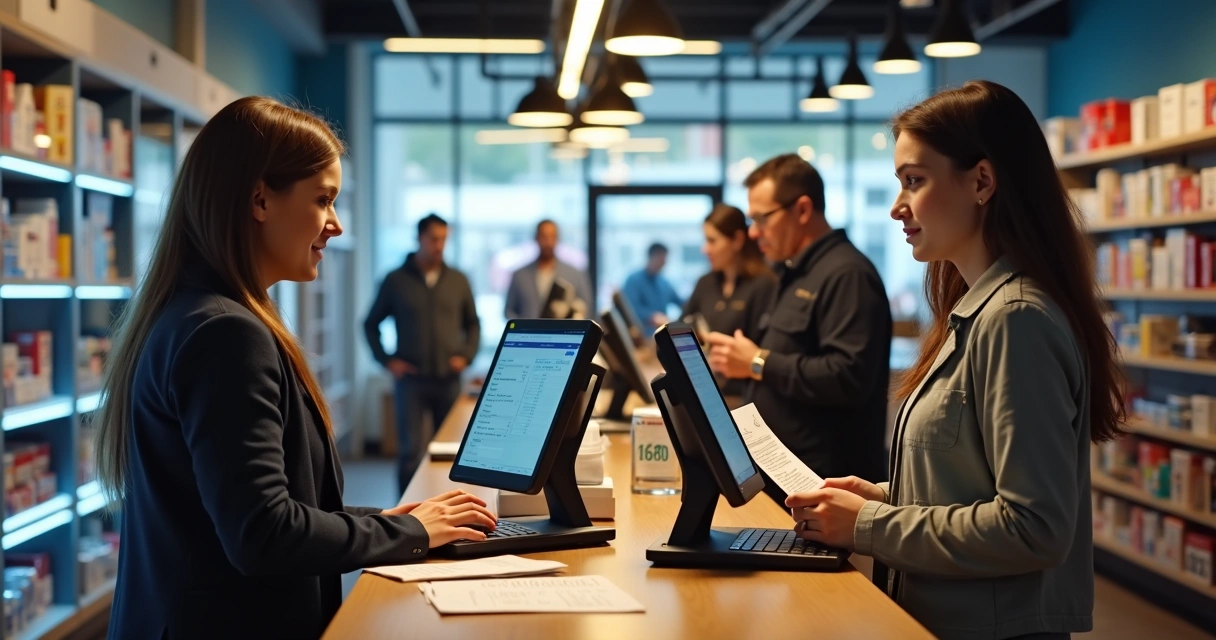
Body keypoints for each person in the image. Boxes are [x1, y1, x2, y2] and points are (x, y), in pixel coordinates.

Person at [93, 97, 496, 639]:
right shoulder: (225, 334)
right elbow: (262, 534)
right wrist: (405, 532)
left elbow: (263, 505)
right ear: (260, 198)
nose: (336, 224)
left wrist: (393, 522)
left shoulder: (191, 312)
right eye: (324, 199)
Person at [784, 81, 1124, 640]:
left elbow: (1033, 527)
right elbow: (973, 486)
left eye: (914, 182)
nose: (898, 207)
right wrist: (883, 497)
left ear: (982, 181)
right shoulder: (972, 310)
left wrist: (867, 525)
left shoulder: (1016, 320)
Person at [706, 154, 892, 503]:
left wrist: (758, 362)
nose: (753, 232)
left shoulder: (847, 274)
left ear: (803, 210)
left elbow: (847, 377)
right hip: (784, 484)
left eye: (762, 218)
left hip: (827, 491)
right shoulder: (793, 274)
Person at [364, 213, 481, 494]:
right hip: (411, 381)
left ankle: (452, 506)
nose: (439, 245)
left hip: (448, 379)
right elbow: (370, 324)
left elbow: (473, 324)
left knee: (453, 451)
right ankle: (408, 513)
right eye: (433, 239)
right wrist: (387, 360)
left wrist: (466, 355)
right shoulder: (395, 280)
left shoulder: (458, 280)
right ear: (419, 239)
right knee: (410, 453)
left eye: (443, 240)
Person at [682, 204, 777, 397]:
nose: (705, 249)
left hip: (748, 396)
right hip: (705, 391)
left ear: (737, 240)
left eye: (712, 241)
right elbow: (679, 329)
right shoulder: (705, 283)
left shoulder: (765, 284)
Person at [505, 219, 592, 319]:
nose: (548, 242)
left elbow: (587, 308)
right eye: (544, 237)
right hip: (530, 333)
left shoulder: (574, 274)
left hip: (563, 332)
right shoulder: (520, 275)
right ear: (536, 238)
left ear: (558, 239)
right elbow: (509, 311)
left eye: (552, 236)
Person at [621, 242, 684, 329]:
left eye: (664, 260)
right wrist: (652, 316)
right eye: (660, 259)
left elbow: (681, 303)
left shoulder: (664, 283)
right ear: (651, 257)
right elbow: (629, 308)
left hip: (662, 334)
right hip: (641, 334)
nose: (663, 263)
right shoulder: (633, 280)